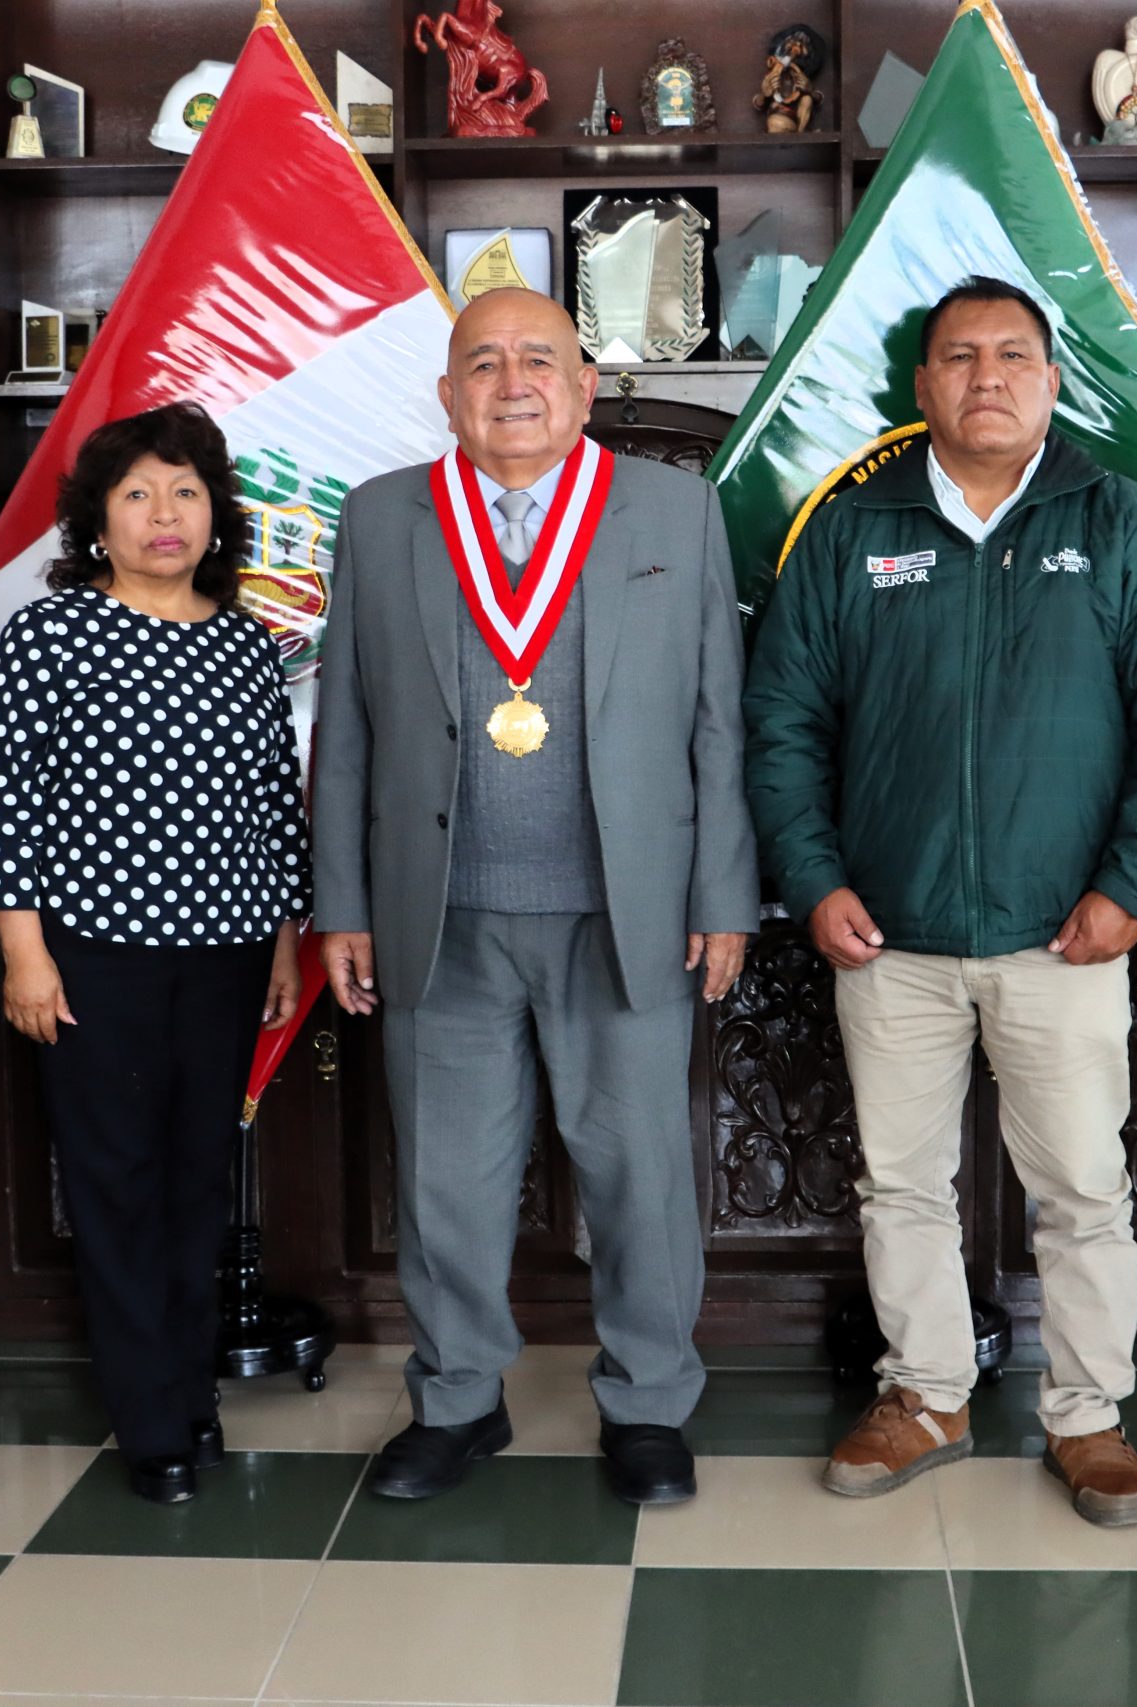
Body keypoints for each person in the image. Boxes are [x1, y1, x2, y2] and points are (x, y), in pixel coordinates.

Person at [745, 277, 1137, 1526]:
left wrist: (1129, 888)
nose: (987, 378)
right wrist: (812, 877)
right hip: (887, 935)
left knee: (1082, 1191)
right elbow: (783, 721)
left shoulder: (1118, 522)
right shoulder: (851, 530)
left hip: (1065, 934)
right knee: (900, 1185)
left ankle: (1087, 1417)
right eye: (959, 357)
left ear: (1051, 381)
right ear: (921, 386)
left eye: (1013, 355)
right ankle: (925, 1397)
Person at [313, 287, 755, 1508]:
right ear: (447, 392)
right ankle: (457, 1399)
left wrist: (724, 892)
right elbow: (345, 726)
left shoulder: (673, 508)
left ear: (583, 383)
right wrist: (341, 903)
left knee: (640, 1178)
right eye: (484, 362)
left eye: (539, 360)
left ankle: (649, 1404)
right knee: (445, 1185)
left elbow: (719, 719)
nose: (513, 383)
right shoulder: (383, 515)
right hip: (438, 914)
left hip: (628, 912)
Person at [0, 403, 308, 1506]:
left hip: (228, 954)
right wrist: (23, 953)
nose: (165, 515)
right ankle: (149, 1415)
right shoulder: (51, 633)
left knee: (197, 1182)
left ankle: (188, 1386)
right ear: (98, 518)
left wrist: (283, 939)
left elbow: (275, 807)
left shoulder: (245, 644)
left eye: (186, 492)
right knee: (116, 1183)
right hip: (92, 959)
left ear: (216, 515)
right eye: (137, 495)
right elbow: (6, 802)